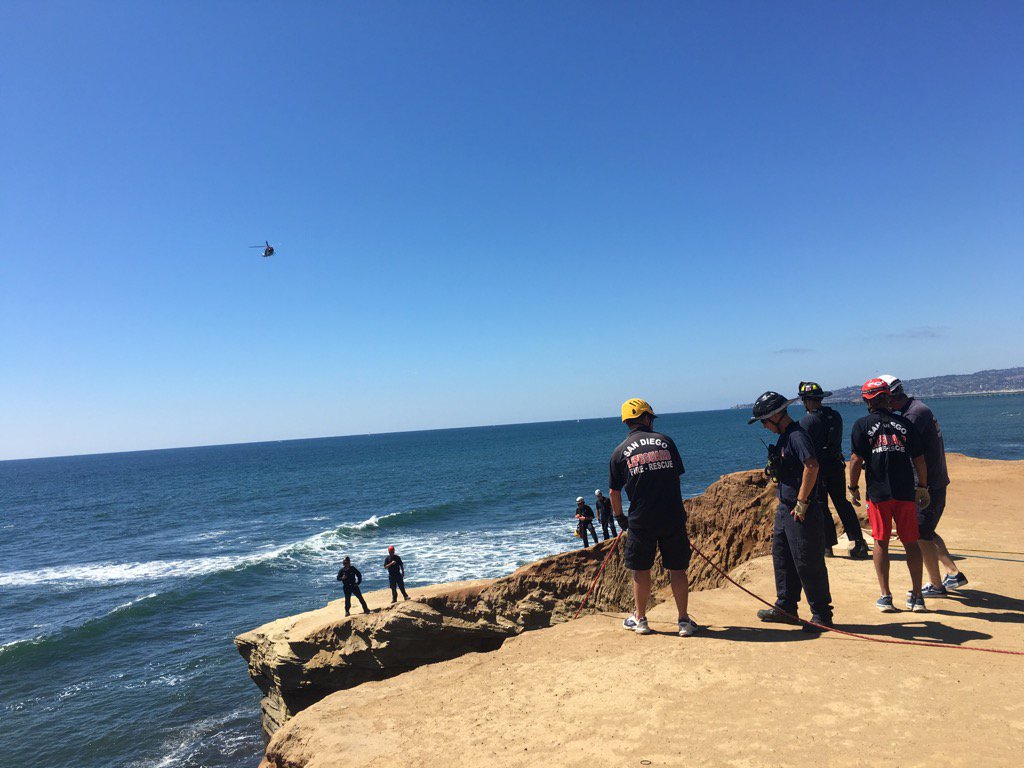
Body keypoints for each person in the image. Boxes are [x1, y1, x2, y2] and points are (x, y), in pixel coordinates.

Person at [610, 398, 699, 637]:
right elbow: (676, 477)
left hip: (641, 519)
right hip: (672, 516)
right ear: (647, 418)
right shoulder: (666, 442)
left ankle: (640, 620)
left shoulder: (619, 452)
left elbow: (614, 492)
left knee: (641, 570)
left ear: (627, 421)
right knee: (677, 569)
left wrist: (620, 519)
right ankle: (683, 621)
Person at [748, 391, 833, 632]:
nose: (764, 427)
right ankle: (786, 607)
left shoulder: (797, 436)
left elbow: (812, 466)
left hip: (800, 510)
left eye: (764, 421)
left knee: (807, 562)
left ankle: (822, 614)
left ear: (775, 416)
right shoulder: (786, 437)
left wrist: (802, 501)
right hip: (785, 509)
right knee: (783, 558)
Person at [848, 378, 929, 612]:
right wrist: (922, 486)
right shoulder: (905, 424)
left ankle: (886, 596)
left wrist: (853, 487)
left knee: (880, 543)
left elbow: (855, 460)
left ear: (867, 401)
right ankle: (916, 596)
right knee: (910, 543)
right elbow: (919, 459)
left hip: (878, 493)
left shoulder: (861, 425)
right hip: (905, 491)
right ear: (888, 397)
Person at [881, 374, 967, 596]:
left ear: (889, 397)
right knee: (926, 530)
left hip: (926, 485)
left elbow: (906, 451)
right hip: (933, 481)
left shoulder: (913, 416)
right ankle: (953, 572)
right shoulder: (917, 409)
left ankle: (937, 585)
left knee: (921, 534)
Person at [797, 381, 871, 560]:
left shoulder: (807, 421)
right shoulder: (835, 416)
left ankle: (827, 546)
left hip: (820, 468)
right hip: (836, 465)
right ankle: (858, 541)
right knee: (842, 503)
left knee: (822, 505)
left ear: (806, 401)